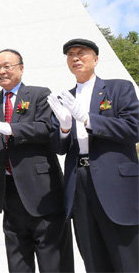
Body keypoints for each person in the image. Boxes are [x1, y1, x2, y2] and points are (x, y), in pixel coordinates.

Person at [48, 38, 139, 273]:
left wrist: (88, 119)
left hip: (114, 183)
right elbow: (58, 148)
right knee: (93, 257)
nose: (75, 58)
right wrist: (65, 128)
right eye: (70, 55)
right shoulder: (63, 99)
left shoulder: (119, 88)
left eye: (81, 53)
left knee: (127, 259)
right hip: (79, 182)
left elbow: (134, 128)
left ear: (96, 59)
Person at [0, 48, 73, 273]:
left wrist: (11, 128)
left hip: (43, 191)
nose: (2, 71)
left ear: (21, 69)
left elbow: (45, 128)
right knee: (18, 261)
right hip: (10, 192)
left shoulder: (39, 95)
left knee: (53, 262)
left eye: (7, 66)